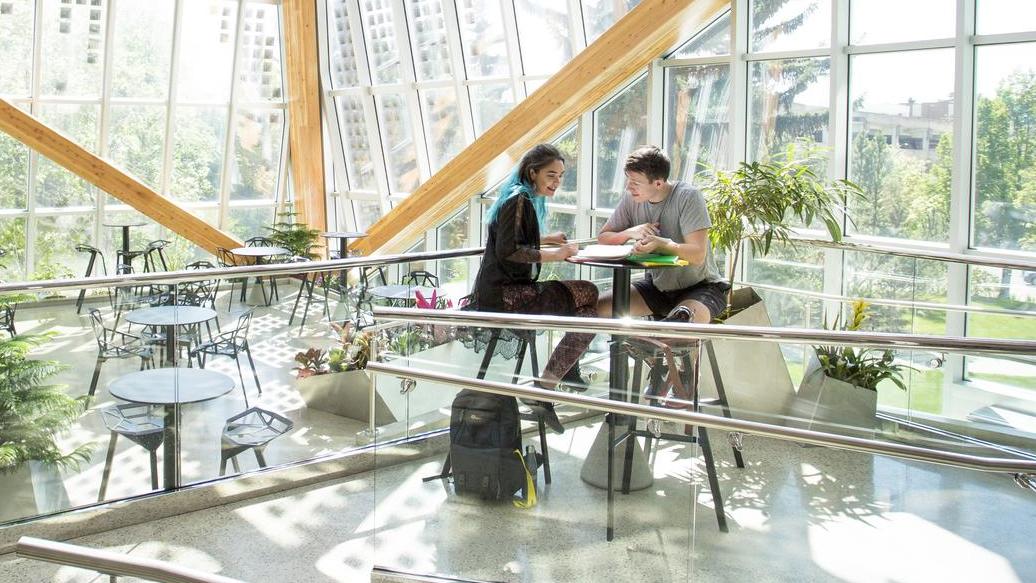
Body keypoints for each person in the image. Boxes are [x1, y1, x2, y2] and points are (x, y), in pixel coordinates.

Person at [468, 144, 598, 433]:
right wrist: (557, 254)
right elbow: (509, 251)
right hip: (506, 297)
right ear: (532, 172)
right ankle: (555, 378)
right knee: (588, 292)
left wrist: (548, 239)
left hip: (504, 292)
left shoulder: (521, 197)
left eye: (561, 176)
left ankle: (550, 383)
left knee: (589, 316)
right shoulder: (519, 199)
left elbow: (514, 238)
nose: (557, 182)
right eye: (551, 174)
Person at [597, 146, 728, 323]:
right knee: (594, 308)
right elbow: (603, 238)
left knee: (681, 321)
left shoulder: (688, 197)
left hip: (701, 288)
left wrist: (662, 244)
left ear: (658, 183)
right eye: (628, 180)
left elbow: (698, 255)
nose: (629, 187)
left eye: (635, 182)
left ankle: (642, 347)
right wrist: (630, 233)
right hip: (657, 287)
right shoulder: (631, 199)